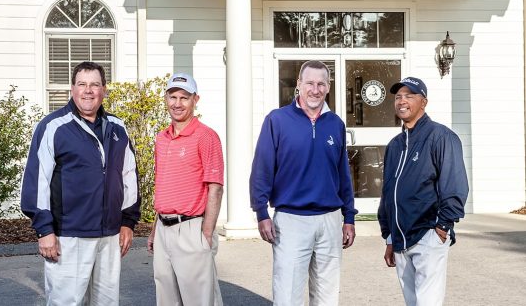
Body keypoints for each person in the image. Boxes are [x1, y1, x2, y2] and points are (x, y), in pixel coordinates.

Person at [21, 61, 141, 306]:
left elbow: (129, 176)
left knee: (106, 303)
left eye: (95, 84)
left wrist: (128, 222)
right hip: (69, 236)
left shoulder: (118, 127)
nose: (88, 90)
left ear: (104, 90)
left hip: (109, 236)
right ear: (72, 89)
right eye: (82, 84)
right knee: (67, 302)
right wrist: (45, 230)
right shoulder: (53, 126)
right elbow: (37, 180)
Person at [250, 60, 357, 306]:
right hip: (291, 221)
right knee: (287, 295)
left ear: (328, 87)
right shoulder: (277, 120)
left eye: (321, 84)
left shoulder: (336, 124)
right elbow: (262, 169)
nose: (315, 89)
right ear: (299, 85)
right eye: (309, 83)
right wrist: (260, 212)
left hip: (330, 221)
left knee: (327, 297)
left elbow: (343, 175)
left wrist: (349, 217)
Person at [377, 76, 469, 306]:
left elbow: (455, 186)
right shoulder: (394, 145)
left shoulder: (441, 137)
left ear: (424, 102)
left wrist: (443, 226)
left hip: (428, 234)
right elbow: (388, 193)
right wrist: (389, 236)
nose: (402, 101)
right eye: (398, 97)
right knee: (412, 302)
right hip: (400, 241)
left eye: (409, 95)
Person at [147, 73, 224, 306]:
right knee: (166, 300)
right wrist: (153, 230)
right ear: (166, 99)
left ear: (195, 100)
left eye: (184, 97)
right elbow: (162, 185)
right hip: (163, 229)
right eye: (173, 97)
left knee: (199, 301)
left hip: (192, 228)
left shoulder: (206, 137)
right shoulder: (162, 138)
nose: (177, 103)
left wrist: (207, 234)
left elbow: (215, 187)